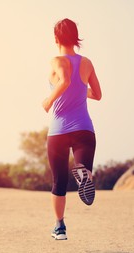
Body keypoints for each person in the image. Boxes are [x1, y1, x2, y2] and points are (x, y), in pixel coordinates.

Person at [42, 18, 102, 240]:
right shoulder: (86, 63)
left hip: (58, 131)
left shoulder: (56, 60)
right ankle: (83, 172)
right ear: (76, 37)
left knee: (59, 182)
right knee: (82, 168)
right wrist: (80, 89)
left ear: (56, 38)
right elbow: (97, 95)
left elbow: (65, 81)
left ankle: (59, 227)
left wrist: (48, 101)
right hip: (84, 129)